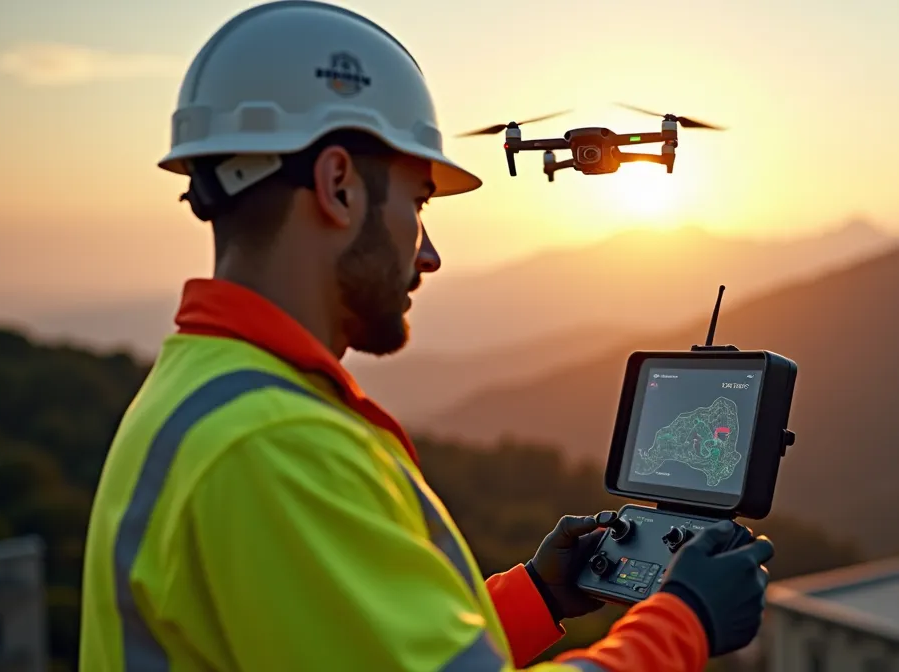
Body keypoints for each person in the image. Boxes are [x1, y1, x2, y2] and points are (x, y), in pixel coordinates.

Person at [78, 2, 775, 670]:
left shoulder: (197, 389)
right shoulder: (276, 447)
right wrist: (681, 622)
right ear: (338, 185)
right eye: (417, 202)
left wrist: (537, 596)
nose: (430, 254)